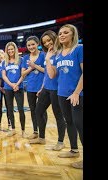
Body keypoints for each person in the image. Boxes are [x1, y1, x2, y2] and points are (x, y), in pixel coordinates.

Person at [46, 24, 83, 169]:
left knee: (80, 124)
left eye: (65, 33)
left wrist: (76, 92)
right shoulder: (59, 54)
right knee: (70, 122)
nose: (61, 35)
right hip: (61, 93)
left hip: (77, 94)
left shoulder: (79, 49)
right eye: (60, 33)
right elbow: (52, 74)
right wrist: (48, 59)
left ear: (73, 35)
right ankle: (74, 150)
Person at [29, 30, 66, 152]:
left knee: (58, 116)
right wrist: (42, 87)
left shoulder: (61, 53)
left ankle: (60, 142)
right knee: (38, 111)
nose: (47, 43)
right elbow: (46, 73)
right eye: (44, 42)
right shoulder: (47, 54)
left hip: (57, 89)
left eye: (49, 40)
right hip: (46, 88)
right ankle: (42, 137)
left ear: (54, 38)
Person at [21, 36, 47, 139]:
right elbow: (23, 74)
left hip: (43, 87)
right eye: (29, 45)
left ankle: (42, 134)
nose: (31, 47)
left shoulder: (44, 55)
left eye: (33, 44)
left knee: (42, 111)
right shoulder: (26, 58)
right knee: (33, 110)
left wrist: (34, 66)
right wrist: (31, 67)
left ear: (37, 44)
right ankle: (35, 131)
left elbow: (47, 71)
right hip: (30, 87)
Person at [1, 41, 26, 137]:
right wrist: (11, 85)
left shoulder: (21, 60)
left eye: (12, 49)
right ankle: (13, 129)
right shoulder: (4, 62)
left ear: (15, 50)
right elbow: (4, 76)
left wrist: (17, 84)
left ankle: (23, 130)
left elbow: (23, 74)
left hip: (19, 87)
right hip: (8, 88)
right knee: (9, 109)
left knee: (20, 109)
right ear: (6, 51)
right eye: (8, 49)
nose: (10, 51)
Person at [0, 49, 11, 131]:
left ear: (4, 55)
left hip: (7, 88)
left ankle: (10, 124)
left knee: (9, 107)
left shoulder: (7, 63)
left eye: (0, 55)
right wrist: (0, 88)